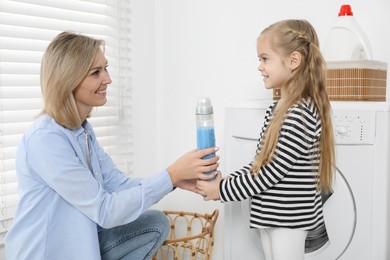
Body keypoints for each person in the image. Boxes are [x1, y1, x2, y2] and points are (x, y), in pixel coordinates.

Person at [4, 31, 219, 260]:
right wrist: (171, 175)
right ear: (69, 79)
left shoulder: (82, 131)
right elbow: (105, 210)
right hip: (46, 255)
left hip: (82, 249)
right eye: (96, 72)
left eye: (105, 68)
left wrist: (175, 180)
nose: (107, 79)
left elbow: (117, 184)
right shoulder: (45, 140)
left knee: (155, 222)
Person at [196, 19, 335, 260]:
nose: (259, 66)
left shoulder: (301, 113)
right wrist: (228, 180)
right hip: (271, 214)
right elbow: (260, 163)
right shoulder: (279, 109)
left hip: (289, 218)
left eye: (265, 58)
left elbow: (268, 173)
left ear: (293, 61)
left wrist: (221, 189)